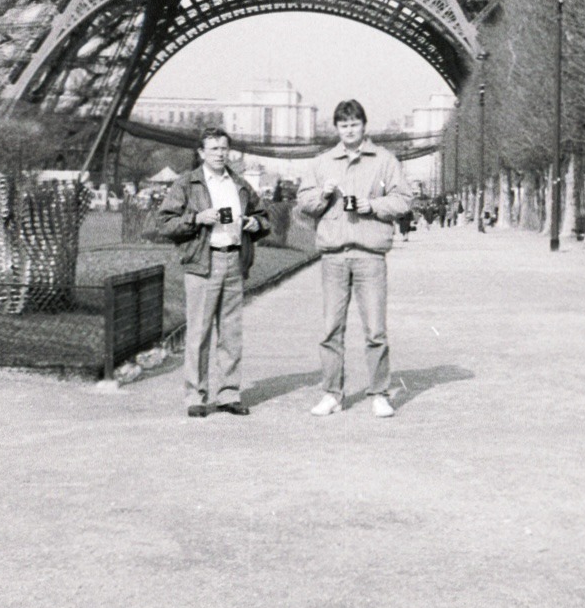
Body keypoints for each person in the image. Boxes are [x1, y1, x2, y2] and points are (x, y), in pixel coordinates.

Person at [296, 99, 413, 418]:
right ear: (337, 128)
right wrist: (322, 194)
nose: (349, 130)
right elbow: (304, 201)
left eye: (354, 124)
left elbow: (404, 200)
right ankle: (332, 393)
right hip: (334, 255)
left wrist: (371, 206)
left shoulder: (384, 160)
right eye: (343, 125)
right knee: (331, 328)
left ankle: (379, 392)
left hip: (370, 254)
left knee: (375, 329)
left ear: (364, 126)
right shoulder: (321, 163)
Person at [156, 127, 270, 418]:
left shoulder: (240, 184)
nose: (219, 153)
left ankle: (229, 394)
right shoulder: (186, 184)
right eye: (213, 149)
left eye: (223, 148)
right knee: (199, 332)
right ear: (201, 153)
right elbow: (165, 223)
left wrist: (255, 225)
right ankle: (195, 395)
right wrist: (196, 218)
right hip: (203, 263)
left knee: (231, 334)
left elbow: (263, 217)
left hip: (234, 260)